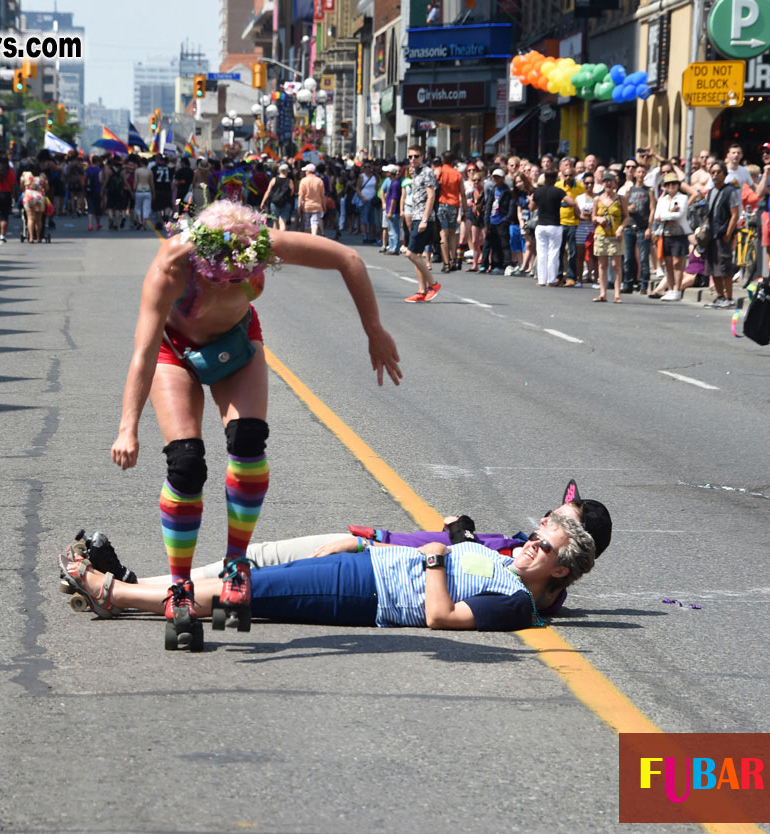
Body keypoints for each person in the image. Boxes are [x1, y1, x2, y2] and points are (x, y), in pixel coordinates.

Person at [108, 200, 401, 649]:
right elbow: (143, 353)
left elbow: (348, 258)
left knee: (248, 441)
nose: (235, 282)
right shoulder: (172, 265)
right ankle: (180, 586)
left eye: (244, 275)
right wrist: (128, 427)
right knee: (186, 464)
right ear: (201, 264)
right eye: (223, 277)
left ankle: (236, 564)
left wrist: (374, 329)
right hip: (175, 350)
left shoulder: (260, 243)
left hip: (237, 343)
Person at [61, 510, 595, 634]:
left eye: (542, 548)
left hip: (371, 594)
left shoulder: (516, 604)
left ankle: (115, 595)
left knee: (244, 588)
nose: (529, 546)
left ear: (561, 572)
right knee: (246, 573)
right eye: (534, 536)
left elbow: (441, 616)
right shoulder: (507, 564)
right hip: (368, 566)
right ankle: (129, 587)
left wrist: (435, 555)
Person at [400, 146, 441, 302]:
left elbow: (431, 196)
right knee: (417, 255)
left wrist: (424, 219)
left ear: (422, 157)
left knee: (410, 253)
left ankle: (433, 284)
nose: (412, 159)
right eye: (410, 156)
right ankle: (421, 291)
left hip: (424, 218)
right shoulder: (414, 172)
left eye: (416, 156)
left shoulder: (427, 172)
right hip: (416, 215)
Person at [701, 161, 740, 308]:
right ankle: (720, 296)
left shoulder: (730, 191)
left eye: (718, 172)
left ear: (724, 174)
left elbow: (735, 215)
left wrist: (728, 234)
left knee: (725, 268)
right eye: (713, 172)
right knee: (713, 267)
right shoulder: (711, 192)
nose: (715, 175)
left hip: (723, 235)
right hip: (711, 235)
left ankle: (729, 298)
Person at [650, 174, 691, 300]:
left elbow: (679, 215)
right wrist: (670, 213)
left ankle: (677, 290)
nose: (671, 186)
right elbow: (657, 215)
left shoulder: (683, 198)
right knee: (668, 263)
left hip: (679, 233)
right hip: (665, 234)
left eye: (674, 184)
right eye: (669, 184)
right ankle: (671, 289)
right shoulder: (662, 200)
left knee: (677, 262)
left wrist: (664, 215)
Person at [530, 174, 575, 287]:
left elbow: (531, 207)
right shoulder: (558, 191)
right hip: (554, 225)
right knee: (553, 253)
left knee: (541, 253)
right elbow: (571, 202)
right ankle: (551, 279)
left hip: (541, 225)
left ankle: (541, 280)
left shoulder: (538, 192)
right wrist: (562, 203)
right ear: (555, 180)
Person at [591, 171, 626, 302]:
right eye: (606, 181)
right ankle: (603, 293)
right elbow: (593, 217)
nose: (608, 183)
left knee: (616, 264)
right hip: (601, 234)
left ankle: (617, 294)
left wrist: (621, 228)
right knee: (602, 265)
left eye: (611, 181)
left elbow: (626, 217)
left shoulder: (620, 199)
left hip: (615, 234)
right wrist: (598, 219)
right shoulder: (597, 199)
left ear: (615, 184)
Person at [434, 153, 463, 272]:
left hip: (442, 204)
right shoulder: (457, 174)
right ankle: (453, 259)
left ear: (442, 160)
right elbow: (463, 194)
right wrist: (465, 209)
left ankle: (446, 263)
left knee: (443, 234)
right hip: (454, 205)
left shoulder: (439, 171)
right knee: (452, 234)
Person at [260, 163, 296, 231]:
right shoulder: (289, 181)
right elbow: (292, 191)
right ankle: (282, 238)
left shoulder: (274, 180)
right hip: (286, 202)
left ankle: (275, 239)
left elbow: (268, 191)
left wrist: (263, 202)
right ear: (287, 171)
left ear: (279, 171)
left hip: (274, 202)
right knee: (283, 222)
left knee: (275, 222)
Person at [297, 163, 325, 236]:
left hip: (306, 206)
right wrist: (324, 206)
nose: (305, 172)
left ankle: (308, 240)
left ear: (308, 171)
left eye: (305, 171)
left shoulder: (303, 181)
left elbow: (301, 195)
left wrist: (299, 207)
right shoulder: (319, 181)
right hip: (317, 206)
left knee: (307, 224)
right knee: (315, 223)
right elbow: (322, 196)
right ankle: (314, 235)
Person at [20, 168, 47, 243]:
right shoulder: (42, 175)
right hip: (39, 197)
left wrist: (25, 191)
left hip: (29, 196)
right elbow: (47, 187)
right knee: (39, 219)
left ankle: (31, 237)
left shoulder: (25, 174)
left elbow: (21, 185)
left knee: (30, 218)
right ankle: (38, 238)